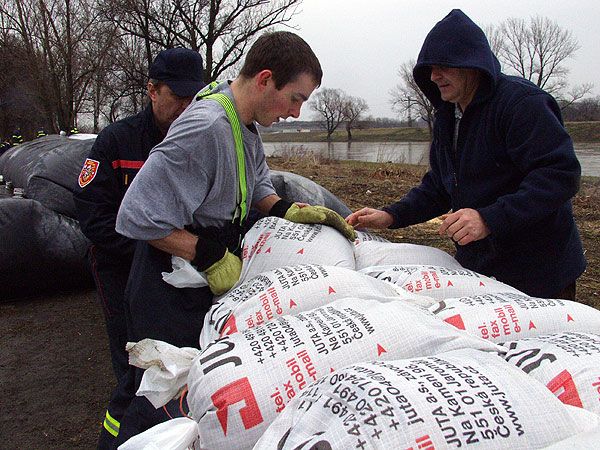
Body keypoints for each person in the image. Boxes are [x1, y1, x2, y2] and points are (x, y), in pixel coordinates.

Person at [114, 31, 355, 445]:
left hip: (195, 275)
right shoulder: (205, 127)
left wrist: (287, 209)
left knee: (188, 387)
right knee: (156, 394)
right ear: (264, 79)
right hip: (166, 282)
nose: (297, 113)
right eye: (295, 98)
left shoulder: (243, 124)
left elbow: (255, 182)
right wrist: (206, 254)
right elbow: (135, 215)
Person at [347, 9, 586, 300]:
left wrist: (489, 219)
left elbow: (559, 176)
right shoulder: (448, 114)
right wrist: (391, 215)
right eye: (430, 68)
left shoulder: (523, 104)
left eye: (444, 66)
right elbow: (440, 185)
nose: (434, 76)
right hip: (480, 266)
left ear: (472, 63)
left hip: (539, 269)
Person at [73, 47, 206, 449]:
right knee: (133, 360)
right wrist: (149, 249)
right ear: (152, 90)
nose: (185, 107)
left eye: (192, 98)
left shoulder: (198, 139)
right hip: (121, 267)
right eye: (177, 97)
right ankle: (119, 437)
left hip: (177, 269)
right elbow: (93, 214)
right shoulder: (117, 142)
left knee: (174, 356)